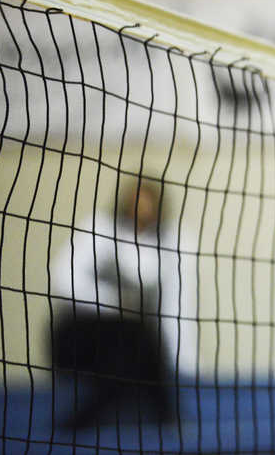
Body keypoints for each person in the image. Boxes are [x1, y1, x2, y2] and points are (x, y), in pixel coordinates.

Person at [50, 179, 177, 428]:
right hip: (82, 336)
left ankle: (166, 425)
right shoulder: (100, 229)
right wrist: (115, 301)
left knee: (139, 347)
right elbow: (62, 278)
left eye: (147, 202)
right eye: (136, 200)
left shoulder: (166, 244)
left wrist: (181, 361)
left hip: (130, 345)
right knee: (131, 348)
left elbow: (173, 306)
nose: (141, 208)